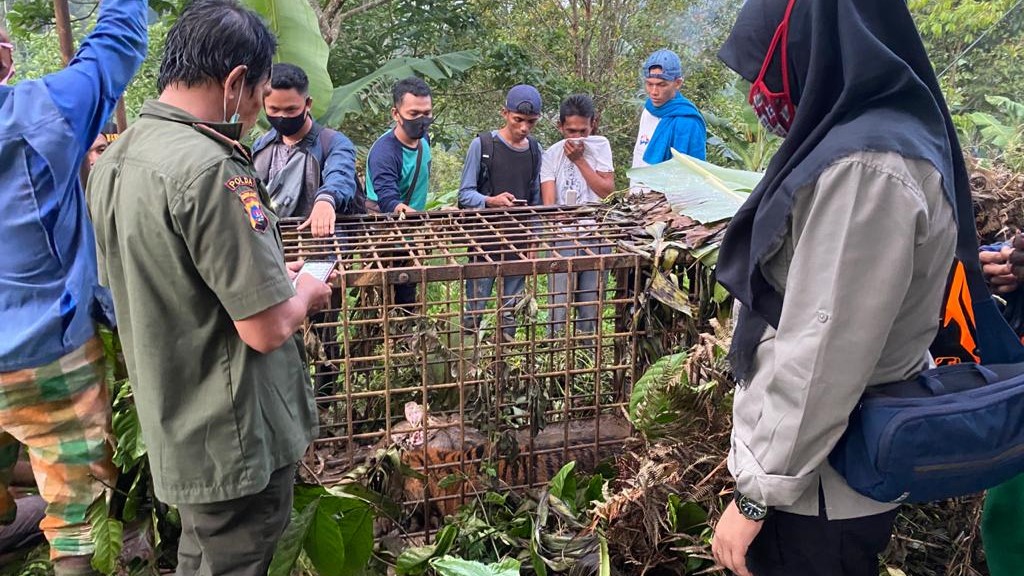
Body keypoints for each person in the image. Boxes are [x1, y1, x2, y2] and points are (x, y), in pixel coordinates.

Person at [709, 0, 966, 574]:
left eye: (771, 76)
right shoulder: (882, 136)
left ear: (812, 54)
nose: (766, 96)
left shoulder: (867, 167)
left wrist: (758, 494)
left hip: (821, 487)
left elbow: (824, 350)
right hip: (822, 470)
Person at [86, 1, 331, 573]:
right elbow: (266, 328)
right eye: (255, 101)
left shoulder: (118, 157)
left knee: (202, 556)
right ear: (236, 81)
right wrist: (306, 293)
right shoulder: (212, 169)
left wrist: (271, 276)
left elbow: (166, 281)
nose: (253, 116)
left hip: (178, 420)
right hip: (234, 431)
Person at [0, 0, 146, 572]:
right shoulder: (47, 111)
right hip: (50, 353)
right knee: (75, 512)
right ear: (5, 57)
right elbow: (117, 44)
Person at [459, 84, 544, 340]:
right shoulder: (483, 145)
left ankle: (502, 365)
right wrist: (490, 200)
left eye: (531, 122)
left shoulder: (534, 150)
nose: (524, 128)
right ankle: (466, 365)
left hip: (517, 243)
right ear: (504, 113)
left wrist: (534, 238)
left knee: (509, 312)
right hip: (484, 242)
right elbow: (464, 194)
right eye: (518, 120)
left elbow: (536, 200)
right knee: (475, 309)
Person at [253, 62, 358, 237]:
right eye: (274, 109)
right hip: (276, 240)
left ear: (307, 103)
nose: (282, 117)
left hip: (321, 240)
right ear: (264, 105)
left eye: (291, 109)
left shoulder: (333, 143)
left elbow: (341, 175)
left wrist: (326, 200)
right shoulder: (262, 146)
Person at [540, 94, 614, 338]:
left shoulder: (600, 147)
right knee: (557, 309)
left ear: (593, 124)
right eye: (571, 131)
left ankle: (586, 360)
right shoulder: (551, 155)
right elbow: (549, 203)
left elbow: (607, 192)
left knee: (589, 310)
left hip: (596, 236)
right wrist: (559, 218)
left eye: (583, 131)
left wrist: (580, 161)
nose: (577, 137)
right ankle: (555, 358)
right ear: (560, 127)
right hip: (563, 239)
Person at [364, 76, 434, 308]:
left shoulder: (423, 140)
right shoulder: (385, 151)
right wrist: (402, 210)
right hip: (387, 240)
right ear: (396, 114)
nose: (421, 120)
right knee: (388, 305)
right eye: (414, 114)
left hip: (411, 237)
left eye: (427, 113)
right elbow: (387, 197)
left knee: (409, 302)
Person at [630, 48, 706, 175]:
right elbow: (638, 156)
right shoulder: (648, 110)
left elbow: (691, 173)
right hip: (638, 191)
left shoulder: (687, 121)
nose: (653, 92)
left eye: (661, 85)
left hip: (666, 194)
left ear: (677, 83)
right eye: (649, 84)